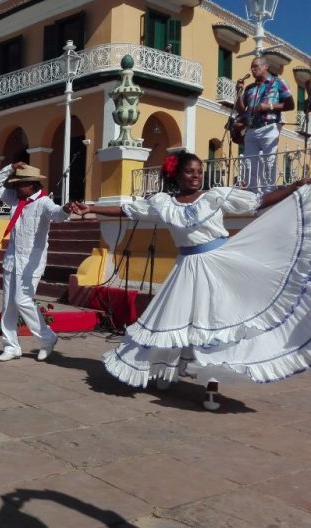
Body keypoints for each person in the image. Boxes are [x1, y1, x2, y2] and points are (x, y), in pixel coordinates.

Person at [72, 151, 311, 395]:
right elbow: (129, 210)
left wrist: (294, 187)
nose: (196, 176)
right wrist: (91, 208)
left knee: (217, 320)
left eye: (199, 171)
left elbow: (258, 201)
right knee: (176, 321)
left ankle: (213, 380)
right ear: (177, 174)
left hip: (219, 265)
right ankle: (164, 368)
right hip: (187, 267)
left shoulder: (214, 197)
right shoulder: (164, 203)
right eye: (190, 171)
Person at [0, 162, 73, 362]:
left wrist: (67, 209)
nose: (16, 188)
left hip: (31, 262)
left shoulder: (43, 202)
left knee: (23, 300)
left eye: (20, 184)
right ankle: (11, 346)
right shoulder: (15, 199)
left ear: (32, 184)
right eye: (15, 184)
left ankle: (47, 338)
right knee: (8, 306)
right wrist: (10, 167)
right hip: (12, 260)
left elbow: (58, 214)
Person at [236, 57, 294, 192]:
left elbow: (290, 105)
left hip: (269, 127)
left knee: (269, 162)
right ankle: (251, 191)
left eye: (256, 66)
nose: (253, 69)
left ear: (266, 66)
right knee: (249, 163)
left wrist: (270, 106)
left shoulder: (278, 82)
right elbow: (241, 109)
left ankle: (269, 191)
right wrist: (239, 93)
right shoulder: (250, 88)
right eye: (252, 67)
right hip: (251, 129)